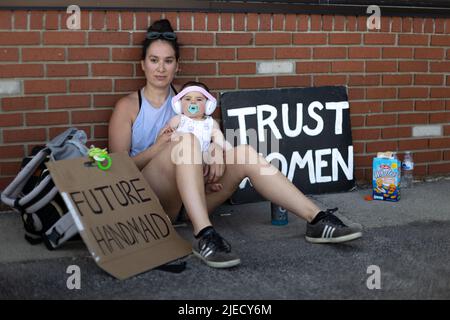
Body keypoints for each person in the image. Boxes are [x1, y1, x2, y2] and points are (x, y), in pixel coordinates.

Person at [109, 19, 362, 269]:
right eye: (154, 60)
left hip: (193, 198)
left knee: (244, 152)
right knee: (185, 141)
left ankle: (316, 219)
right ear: (142, 65)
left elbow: (210, 133)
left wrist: (217, 151)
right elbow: (115, 170)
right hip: (154, 200)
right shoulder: (129, 106)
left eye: (168, 61)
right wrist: (159, 147)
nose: (161, 68)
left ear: (177, 65)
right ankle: (205, 235)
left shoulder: (191, 97)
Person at [166, 80, 232, 194]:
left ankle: (205, 186)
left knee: (210, 168)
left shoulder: (211, 123)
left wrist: (224, 148)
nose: (193, 102)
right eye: (187, 99)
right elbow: (165, 136)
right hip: (183, 160)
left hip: (204, 160)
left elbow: (219, 140)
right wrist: (172, 134)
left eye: (199, 99)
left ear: (208, 105)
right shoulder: (178, 120)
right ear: (179, 104)